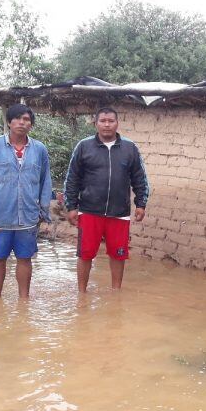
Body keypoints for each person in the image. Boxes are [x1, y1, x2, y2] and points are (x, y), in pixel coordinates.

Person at [64, 106, 149, 292]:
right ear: (96, 123)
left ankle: (116, 292)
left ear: (117, 123)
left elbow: (139, 178)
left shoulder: (129, 148)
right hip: (89, 211)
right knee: (85, 254)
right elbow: (72, 178)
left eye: (111, 121)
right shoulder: (84, 146)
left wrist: (141, 204)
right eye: (103, 121)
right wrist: (71, 206)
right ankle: (82, 293)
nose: (107, 125)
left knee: (118, 254)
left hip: (119, 212)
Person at [0, 103, 52, 299]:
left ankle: (24, 300)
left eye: (26, 119)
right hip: (0, 216)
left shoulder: (39, 149)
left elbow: (45, 182)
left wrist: (44, 211)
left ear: (31, 124)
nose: (22, 123)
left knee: (25, 259)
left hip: (28, 216)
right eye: (17, 118)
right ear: (9, 122)